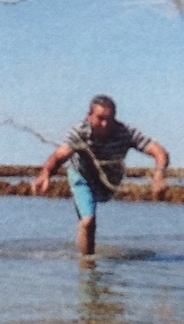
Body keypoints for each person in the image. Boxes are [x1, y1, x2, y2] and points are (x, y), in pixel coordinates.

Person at [32, 95, 169, 256]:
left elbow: (159, 152)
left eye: (109, 120)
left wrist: (159, 175)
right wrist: (46, 174)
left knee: (93, 215)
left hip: (109, 181)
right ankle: (88, 267)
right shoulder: (80, 132)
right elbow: (59, 156)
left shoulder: (124, 132)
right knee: (88, 222)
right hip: (82, 177)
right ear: (89, 115)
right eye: (100, 118)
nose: (105, 125)